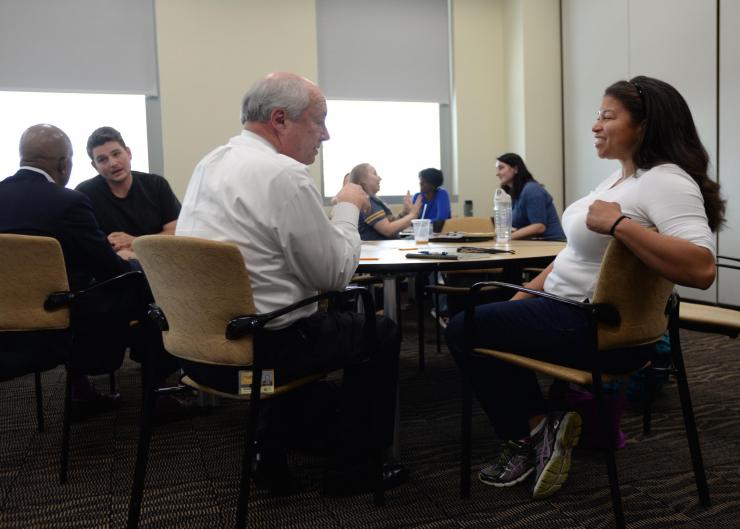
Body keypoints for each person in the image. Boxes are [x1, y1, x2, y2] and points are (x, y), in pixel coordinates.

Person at [446, 76, 723, 500]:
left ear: (644, 126)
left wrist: (619, 224)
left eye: (608, 116)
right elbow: (570, 257)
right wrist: (524, 295)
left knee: (462, 328)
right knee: (484, 310)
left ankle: (533, 432)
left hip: (593, 326)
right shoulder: (618, 180)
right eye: (598, 115)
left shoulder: (665, 180)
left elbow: (702, 268)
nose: (595, 125)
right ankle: (541, 427)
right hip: (568, 310)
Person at [176, 72, 406, 496]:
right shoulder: (283, 174)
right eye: (319, 121)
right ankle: (354, 470)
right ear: (280, 120)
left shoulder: (209, 164)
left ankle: (272, 446)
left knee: (297, 312)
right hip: (260, 354)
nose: (326, 135)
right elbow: (334, 275)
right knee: (379, 330)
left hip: (198, 351)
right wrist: (347, 208)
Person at [0, 124, 141, 411]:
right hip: (58, 318)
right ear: (64, 164)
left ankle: (80, 389)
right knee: (139, 282)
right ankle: (156, 393)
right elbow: (109, 270)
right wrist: (133, 262)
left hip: (6, 321)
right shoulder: (69, 202)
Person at [76, 126, 181, 252]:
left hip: (154, 259)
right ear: (95, 166)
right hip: (111, 262)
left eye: (116, 154)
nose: (113, 163)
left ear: (128, 153)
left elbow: (176, 233)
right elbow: (82, 242)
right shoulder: (84, 194)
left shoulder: (156, 184)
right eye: (102, 160)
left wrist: (135, 242)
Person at [495, 153, 565, 241]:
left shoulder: (532, 190)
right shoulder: (514, 193)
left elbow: (539, 227)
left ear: (515, 169)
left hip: (552, 244)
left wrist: (506, 237)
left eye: (501, 168)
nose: (497, 173)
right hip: (535, 243)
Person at [350, 162, 422, 240]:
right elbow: (387, 230)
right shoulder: (367, 202)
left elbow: (391, 224)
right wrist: (413, 214)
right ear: (363, 182)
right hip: (378, 247)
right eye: (375, 174)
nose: (380, 178)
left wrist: (404, 213)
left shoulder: (373, 200)